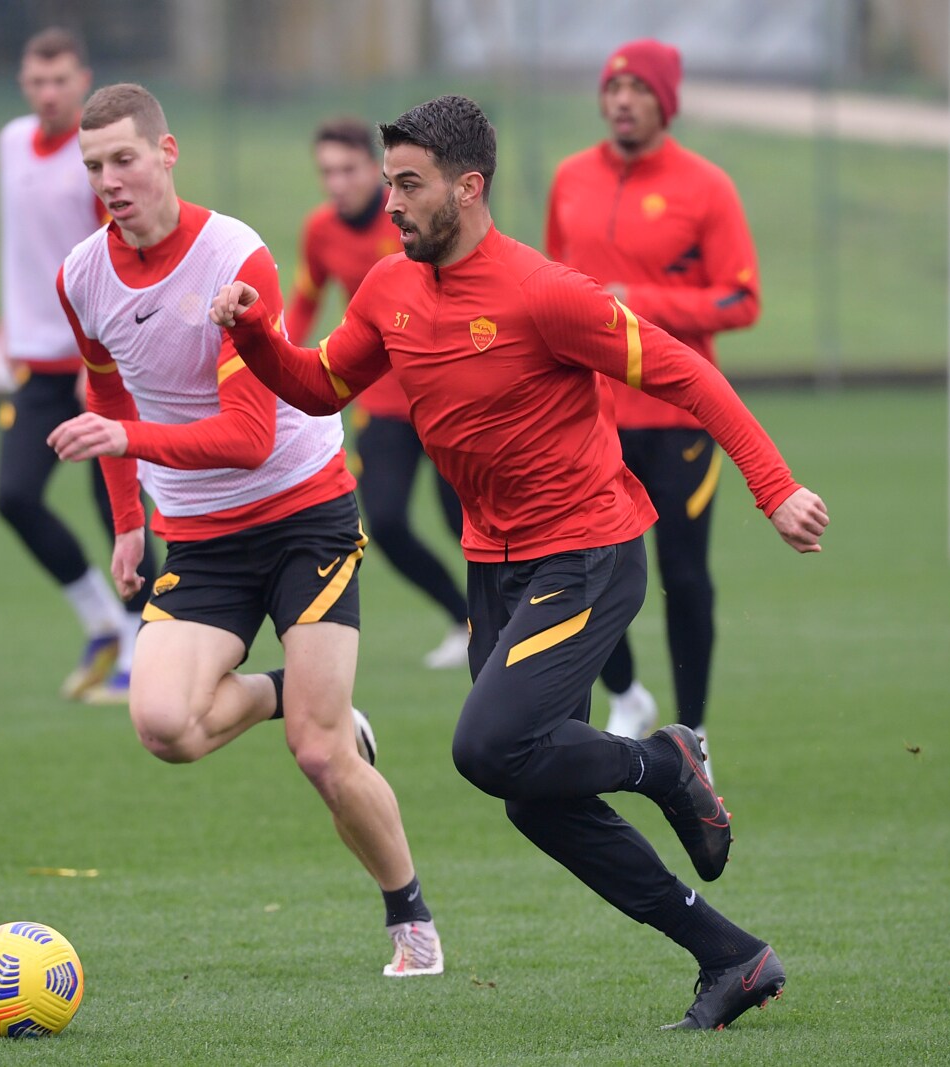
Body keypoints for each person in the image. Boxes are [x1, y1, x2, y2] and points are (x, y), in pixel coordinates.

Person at [212, 95, 828, 1029]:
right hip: (494, 562)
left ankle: (665, 762)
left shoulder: (544, 292)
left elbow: (688, 374)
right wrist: (257, 332)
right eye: (389, 183)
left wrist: (774, 487)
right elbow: (319, 384)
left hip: (587, 550)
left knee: (486, 747)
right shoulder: (388, 289)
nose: (391, 203)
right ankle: (732, 956)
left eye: (410, 185)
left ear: (469, 188)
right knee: (532, 795)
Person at [46, 83, 443, 977]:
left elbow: (247, 437)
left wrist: (127, 441)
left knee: (321, 752)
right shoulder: (81, 275)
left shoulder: (234, 256)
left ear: (167, 152)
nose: (110, 180)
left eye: (124, 159)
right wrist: (127, 522)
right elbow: (106, 388)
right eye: (94, 166)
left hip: (304, 511)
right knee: (164, 727)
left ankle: (410, 918)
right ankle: (284, 689)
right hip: (201, 533)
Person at [546, 40, 761, 778]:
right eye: (613, 88)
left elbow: (741, 300)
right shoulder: (570, 178)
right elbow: (549, 288)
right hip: (591, 418)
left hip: (677, 422)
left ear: (665, 101)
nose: (622, 101)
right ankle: (628, 694)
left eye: (639, 89)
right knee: (591, 572)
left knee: (683, 575)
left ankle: (692, 731)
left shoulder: (707, 187)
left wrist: (640, 302)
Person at [0, 28, 155, 704]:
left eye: (60, 80)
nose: (48, 93)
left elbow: (118, 246)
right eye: (37, 81)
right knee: (14, 496)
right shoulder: (10, 142)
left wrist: (111, 350)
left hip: (100, 363)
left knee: (118, 505)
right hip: (37, 363)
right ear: (23, 84)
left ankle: (142, 644)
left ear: (82, 81)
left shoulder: (96, 163)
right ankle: (102, 622)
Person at [287, 118, 470, 670]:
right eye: (327, 172)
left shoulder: (413, 219)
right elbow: (304, 300)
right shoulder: (321, 229)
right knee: (384, 522)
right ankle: (463, 617)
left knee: (465, 523)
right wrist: (275, 363)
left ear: (376, 169)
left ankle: (507, 621)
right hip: (383, 403)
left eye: (348, 169)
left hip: (445, 395)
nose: (337, 183)